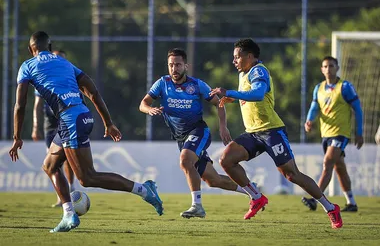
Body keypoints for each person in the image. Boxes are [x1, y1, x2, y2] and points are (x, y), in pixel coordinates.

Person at [9, 31, 163, 233]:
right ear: (49, 46)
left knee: (87, 178)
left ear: (31, 49)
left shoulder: (27, 65)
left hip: (70, 120)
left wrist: (17, 136)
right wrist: (108, 122)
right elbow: (93, 92)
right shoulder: (65, 63)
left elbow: (20, 105)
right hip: (81, 115)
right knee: (50, 166)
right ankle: (68, 214)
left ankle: (144, 190)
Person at [209, 38, 343, 229]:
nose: (234, 61)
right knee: (226, 160)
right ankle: (256, 197)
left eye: (237, 57)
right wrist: (232, 98)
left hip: (272, 131)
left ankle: (330, 208)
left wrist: (228, 91)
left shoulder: (259, 71)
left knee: (292, 175)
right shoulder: (244, 73)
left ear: (249, 56)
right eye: (234, 58)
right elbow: (246, 95)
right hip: (253, 133)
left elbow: (257, 94)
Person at [139, 48, 256, 219]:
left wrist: (223, 127)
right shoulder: (162, 83)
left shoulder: (197, 85)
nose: (174, 69)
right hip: (181, 138)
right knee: (213, 180)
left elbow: (220, 103)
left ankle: (197, 206)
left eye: (178, 65)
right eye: (171, 65)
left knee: (186, 160)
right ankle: (251, 189)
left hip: (199, 131)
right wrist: (149, 109)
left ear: (186, 65)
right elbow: (143, 103)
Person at [302, 56, 364, 212]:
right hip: (326, 134)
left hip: (340, 134)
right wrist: (309, 120)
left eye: (331, 66)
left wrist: (359, 132)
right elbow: (314, 107)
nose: (328, 69)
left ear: (337, 68)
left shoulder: (345, 87)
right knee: (339, 168)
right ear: (322, 70)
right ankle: (351, 203)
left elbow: (358, 109)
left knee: (327, 162)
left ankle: (315, 198)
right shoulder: (319, 88)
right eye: (325, 66)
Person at [32, 49, 76, 207]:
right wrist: (35, 126)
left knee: (68, 157)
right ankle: (61, 196)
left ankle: (71, 189)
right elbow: (37, 105)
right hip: (50, 125)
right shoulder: (42, 78)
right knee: (52, 162)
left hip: (66, 121)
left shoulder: (69, 77)